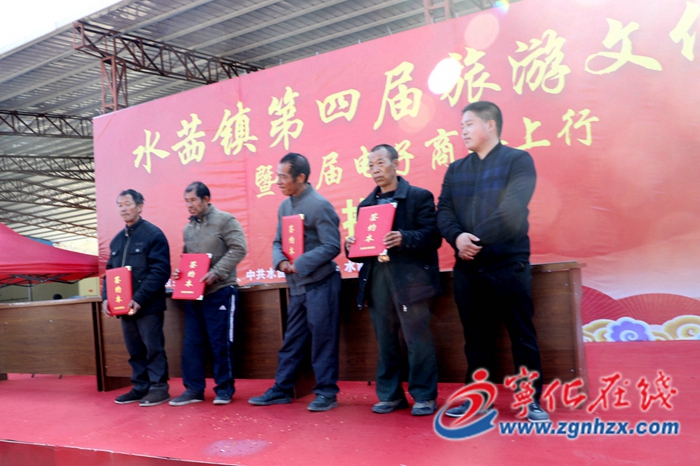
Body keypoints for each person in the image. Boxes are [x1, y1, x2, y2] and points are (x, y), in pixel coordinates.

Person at [436, 101, 549, 423]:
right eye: (461, 126)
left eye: (469, 124)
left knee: (522, 335)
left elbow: (512, 210)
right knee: (476, 339)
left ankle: (530, 400)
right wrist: (457, 237)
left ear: (490, 125)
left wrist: (474, 240)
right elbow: (443, 210)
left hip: (507, 264)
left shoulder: (518, 161)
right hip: (468, 269)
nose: (463, 131)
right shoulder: (456, 169)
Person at [344, 144, 441, 416]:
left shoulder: (419, 197)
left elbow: (434, 236)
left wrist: (404, 237)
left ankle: (424, 396)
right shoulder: (366, 205)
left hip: (411, 279)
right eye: (370, 165)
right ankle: (390, 395)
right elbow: (364, 251)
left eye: (380, 163)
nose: (375, 170)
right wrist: (351, 246)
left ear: (396, 163)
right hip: (377, 278)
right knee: (385, 339)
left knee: (416, 338)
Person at [248, 153, 342, 412]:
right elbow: (278, 241)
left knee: (323, 340)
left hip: (321, 284)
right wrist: (280, 262)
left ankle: (326, 393)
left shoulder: (319, 205)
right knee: (292, 339)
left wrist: (300, 263)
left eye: (283, 177)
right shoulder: (284, 206)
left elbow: (332, 245)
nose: (278, 181)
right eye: (277, 176)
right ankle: (282, 389)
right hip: (298, 286)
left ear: (300, 177)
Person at [169, 181, 247, 406]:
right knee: (192, 343)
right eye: (186, 201)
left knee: (220, 342)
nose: (189, 205)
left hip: (221, 290)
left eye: (193, 200)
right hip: (194, 294)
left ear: (206, 199)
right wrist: (181, 273)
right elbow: (189, 258)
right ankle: (193, 390)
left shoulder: (225, 220)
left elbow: (239, 248)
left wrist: (217, 272)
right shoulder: (188, 228)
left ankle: (224, 389)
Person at [103, 189, 171, 407]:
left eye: (128, 204)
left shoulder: (153, 235)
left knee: (153, 348)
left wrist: (139, 298)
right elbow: (110, 272)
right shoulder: (116, 241)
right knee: (134, 350)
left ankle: (159, 388)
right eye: (119, 205)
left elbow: (160, 271)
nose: (123, 208)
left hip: (147, 306)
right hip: (124, 307)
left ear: (140, 207)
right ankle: (140, 386)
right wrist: (106, 298)